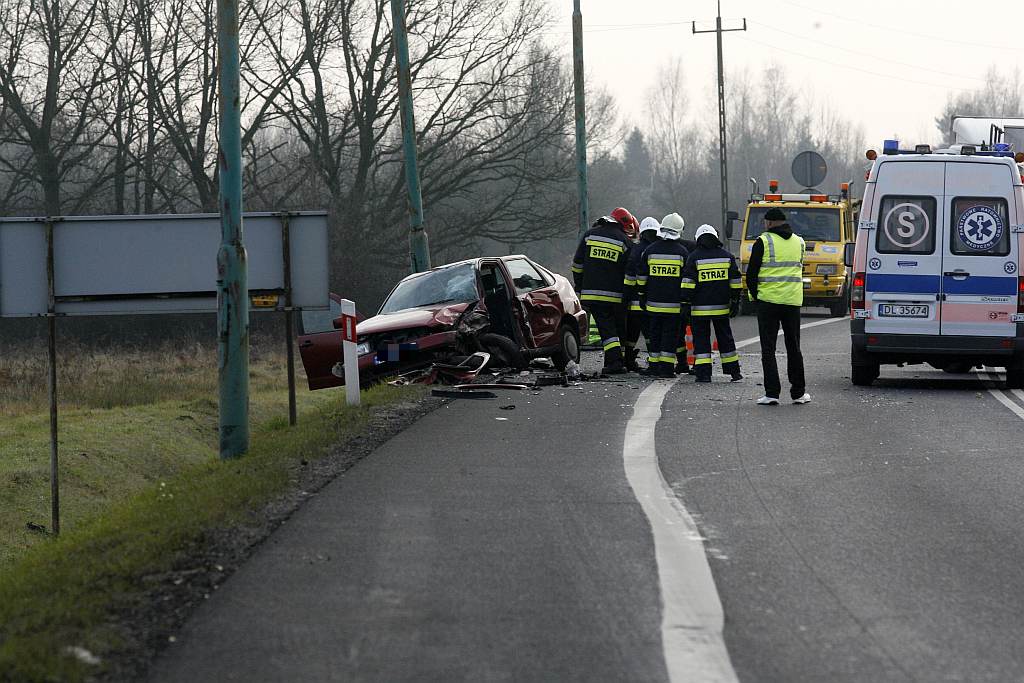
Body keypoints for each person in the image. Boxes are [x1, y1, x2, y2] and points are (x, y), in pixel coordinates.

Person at [745, 207, 810, 405]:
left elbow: (751, 275)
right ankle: (798, 393)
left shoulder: (763, 241)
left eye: (766, 222)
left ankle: (772, 393)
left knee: (768, 349)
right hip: (792, 302)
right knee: (794, 348)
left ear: (770, 223)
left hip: (768, 302)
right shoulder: (800, 242)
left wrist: (756, 297)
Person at [572, 210, 636, 374]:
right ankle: (617, 361)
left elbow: (577, 265)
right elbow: (629, 270)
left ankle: (615, 362)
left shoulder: (589, 235)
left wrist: (579, 287)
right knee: (615, 328)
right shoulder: (624, 241)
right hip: (616, 295)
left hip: (591, 293)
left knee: (607, 328)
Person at [680, 224, 743, 383]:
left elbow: (688, 283)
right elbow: (735, 281)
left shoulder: (694, 257)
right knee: (726, 338)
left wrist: (685, 302)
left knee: (701, 340)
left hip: (699, 310)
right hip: (721, 309)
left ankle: (704, 374)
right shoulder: (727, 256)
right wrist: (735, 301)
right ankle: (734, 372)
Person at [638, 220, 689, 378]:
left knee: (655, 336)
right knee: (670, 336)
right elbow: (687, 280)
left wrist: (641, 296)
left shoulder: (650, 250)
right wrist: (685, 301)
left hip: (653, 305)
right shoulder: (682, 252)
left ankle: (654, 367)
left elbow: (641, 277)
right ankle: (666, 368)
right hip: (674, 306)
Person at [623, 217, 661, 371]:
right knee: (651, 334)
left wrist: (626, 296)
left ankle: (629, 361)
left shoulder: (636, 250)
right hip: (652, 301)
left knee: (632, 334)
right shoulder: (659, 249)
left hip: (635, 302)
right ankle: (655, 363)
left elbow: (630, 276)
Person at [661, 212, 691, 374]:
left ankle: (665, 365)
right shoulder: (686, 250)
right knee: (677, 333)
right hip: (679, 302)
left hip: (656, 303)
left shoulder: (652, 249)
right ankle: (681, 364)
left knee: (663, 335)